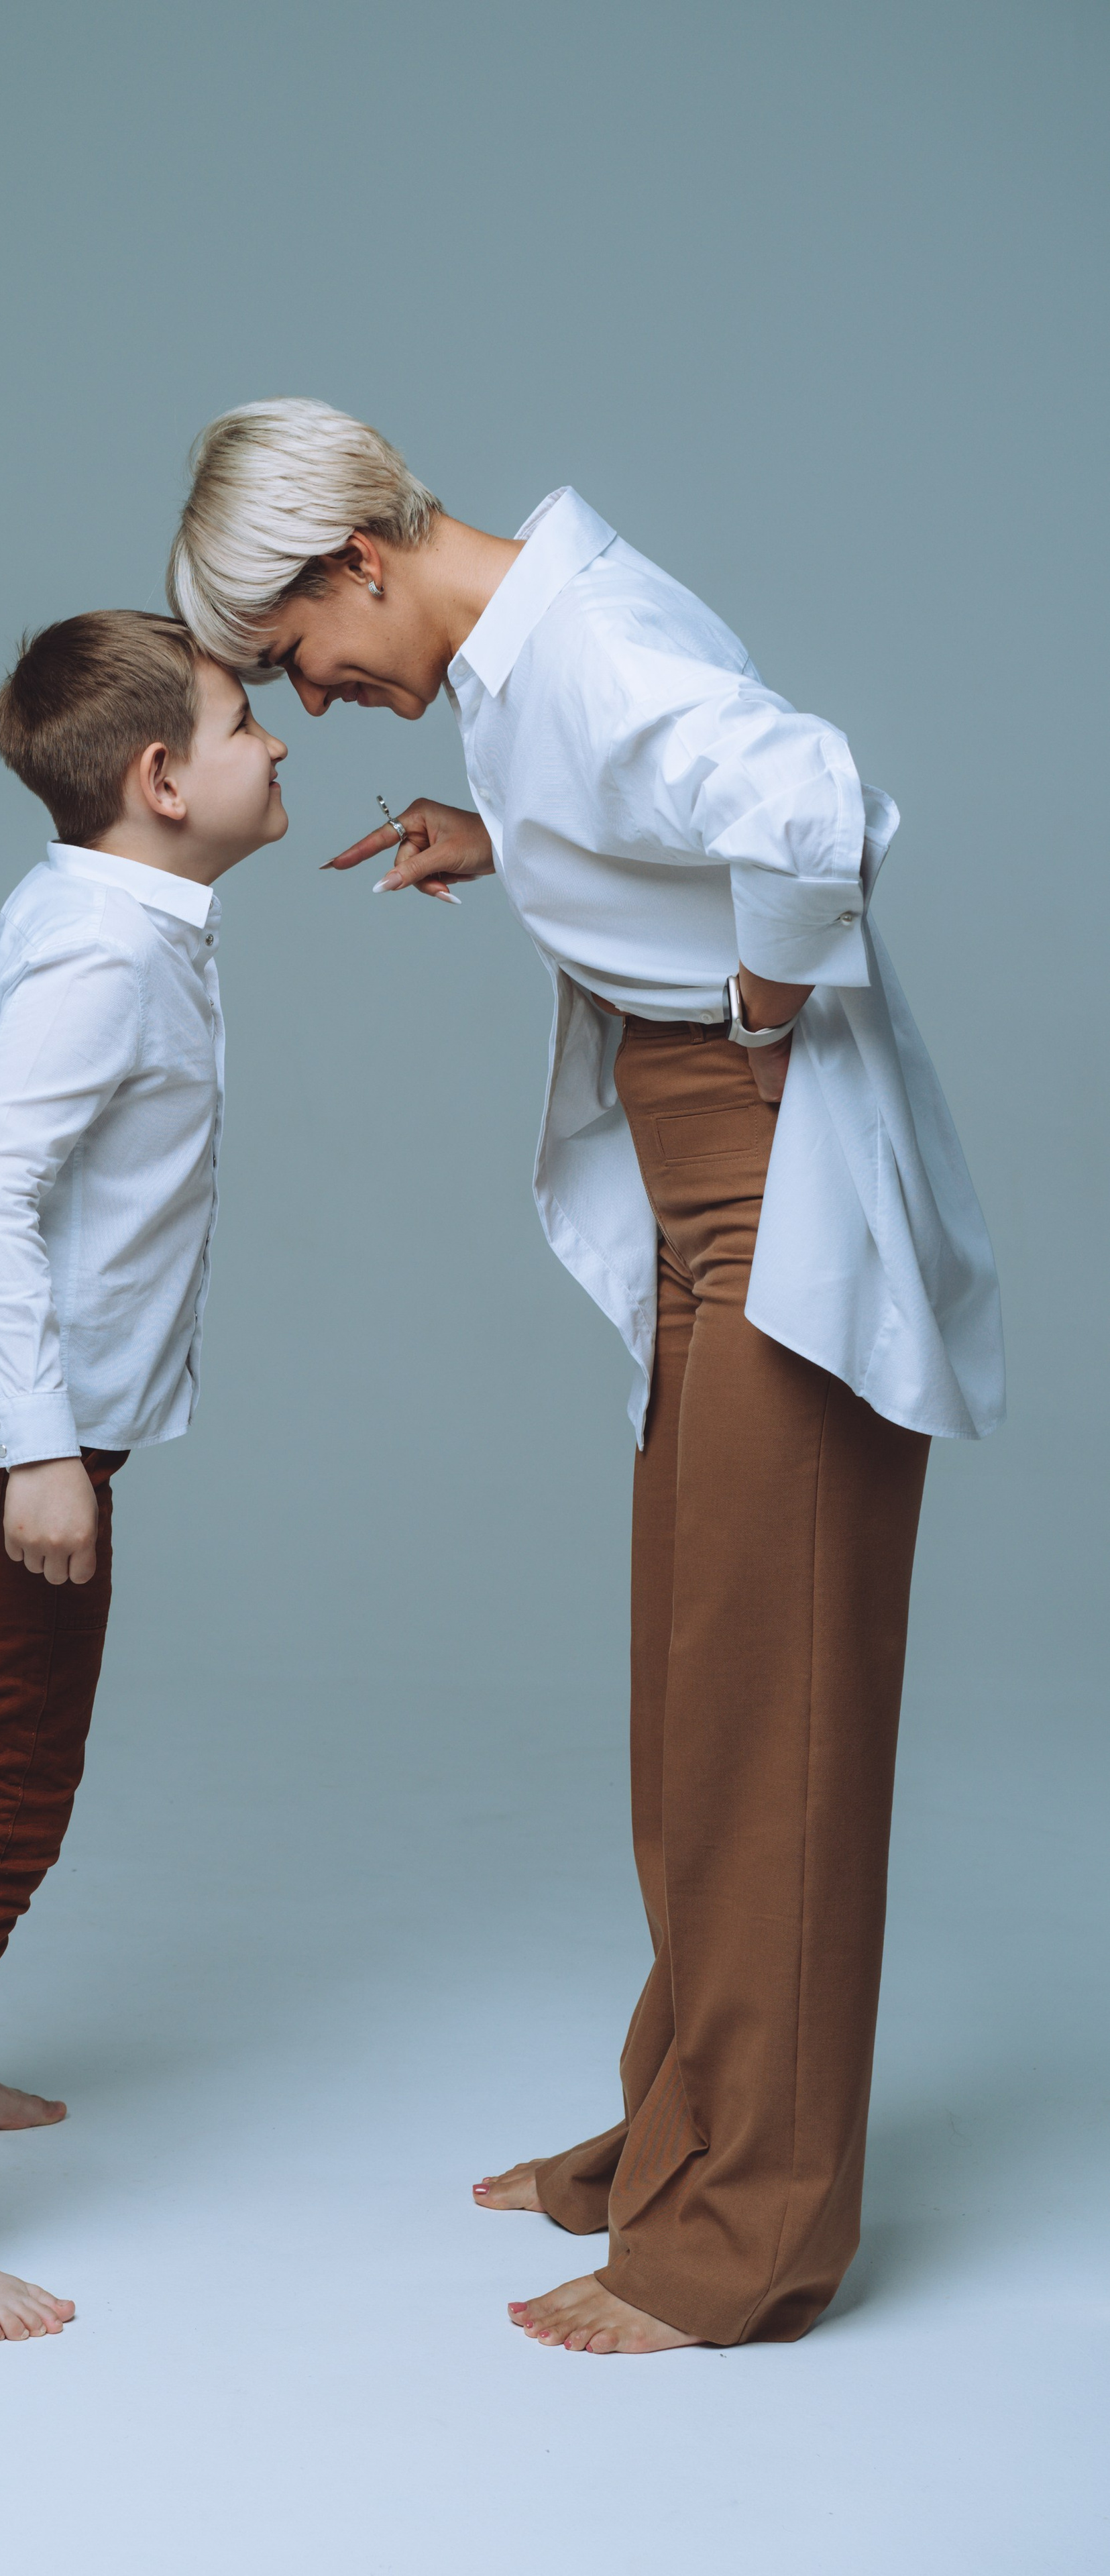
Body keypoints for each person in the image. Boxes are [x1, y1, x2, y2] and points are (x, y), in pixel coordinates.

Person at [168, 400, 1003, 2355]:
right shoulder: (523, 668)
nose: (320, 696)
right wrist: (516, 846)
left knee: (769, 1725)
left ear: (357, 561)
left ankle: (749, 2242)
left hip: (775, 1179)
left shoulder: (590, 643)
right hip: (713, 1197)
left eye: (298, 657)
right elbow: (663, 816)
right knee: (699, 1702)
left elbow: (815, 810)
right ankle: (688, 2129)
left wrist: (765, 999)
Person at [0, 611, 288, 2339]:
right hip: (1, 1430)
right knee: (6, 1793)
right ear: (162, 781)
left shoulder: (90, 901)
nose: (279, 747)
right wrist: (41, 1451)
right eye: (247, 727)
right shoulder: (111, 950)